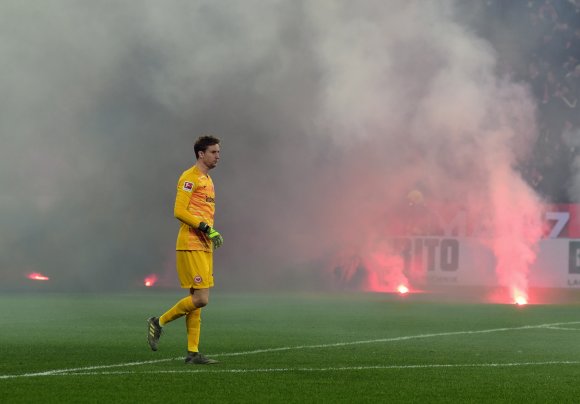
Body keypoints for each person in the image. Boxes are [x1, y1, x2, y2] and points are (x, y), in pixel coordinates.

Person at [147, 135, 224, 365]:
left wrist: (209, 233)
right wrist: (205, 227)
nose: (218, 156)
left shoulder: (208, 180)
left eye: (219, 152)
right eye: (213, 152)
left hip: (204, 244)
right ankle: (157, 322)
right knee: (201, 299)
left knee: (196, 298)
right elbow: (179, 211)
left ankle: (192, 352)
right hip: (191, 243)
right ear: (201, 154)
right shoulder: (189, 178)